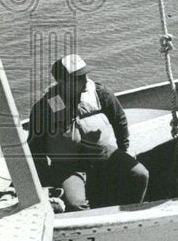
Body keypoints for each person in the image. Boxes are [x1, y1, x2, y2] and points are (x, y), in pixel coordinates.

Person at [28, 54, 149, 211]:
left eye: (85, 75)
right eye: (78, 78)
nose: (85, 80)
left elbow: (119, 120)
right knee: (75, 204)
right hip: (69, 165)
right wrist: (45, 182)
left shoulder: (101, 93)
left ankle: (128, 213)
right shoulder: (44, 107)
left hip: (102, 153)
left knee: (140, 174)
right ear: (62, 81)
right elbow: (35, 148)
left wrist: (124, 149)